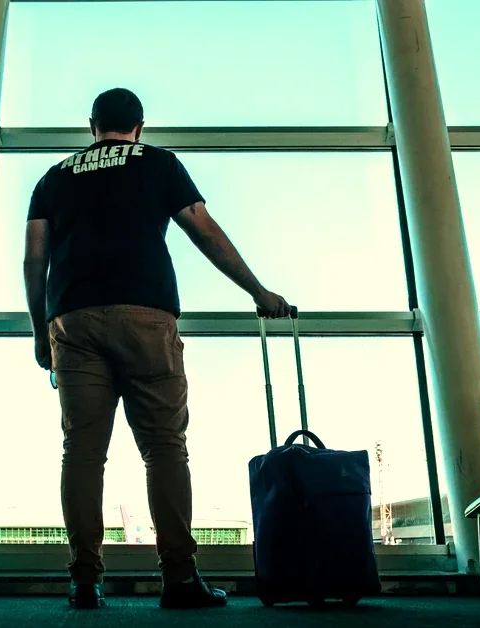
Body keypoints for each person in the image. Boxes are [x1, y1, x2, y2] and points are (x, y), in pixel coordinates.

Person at [23, 88, 292, 610]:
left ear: (91, 126)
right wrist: (258, 291)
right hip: (146, 314)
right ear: (139, 127)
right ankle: (179, 578)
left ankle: (83, 580)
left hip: (73, 320)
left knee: (81, 452)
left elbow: (34, 260)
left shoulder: (53, 177)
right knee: (164, 448)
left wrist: (40, 331)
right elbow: (204, 231)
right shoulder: (160, 163)